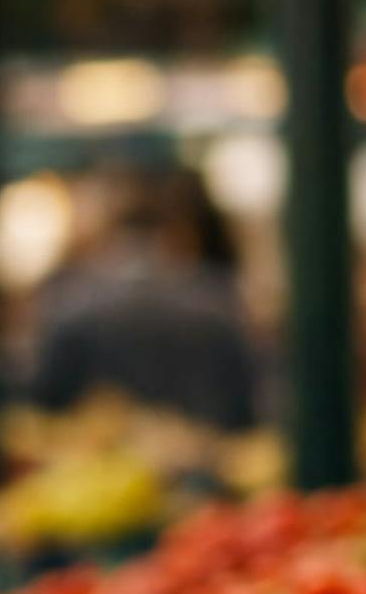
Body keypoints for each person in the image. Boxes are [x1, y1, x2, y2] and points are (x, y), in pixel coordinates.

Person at [24, 163, 265, 431]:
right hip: (208, 458)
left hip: (91, 463)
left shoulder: (70, 299)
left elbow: (43, 409)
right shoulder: (216, 298)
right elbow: (248, 408)